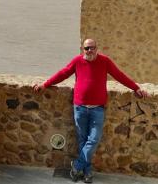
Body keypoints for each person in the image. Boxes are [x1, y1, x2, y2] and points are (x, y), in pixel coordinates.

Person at [34, 39, 148, 183]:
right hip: (80, 107)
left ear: (96, 48)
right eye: (87, 48)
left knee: (94, 139)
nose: (90, 51)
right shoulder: (77, 61)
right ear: (83, 49)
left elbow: (119, 75)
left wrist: (136, 88)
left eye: (92, 48)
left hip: (97, 109)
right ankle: (86, 172)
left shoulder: (105, 61)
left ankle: (76, 165)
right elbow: (63, 73)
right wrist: (45, 84)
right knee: (82, 140)